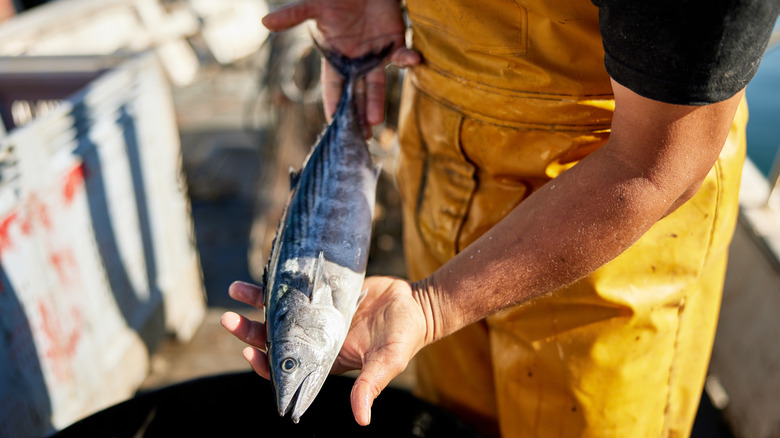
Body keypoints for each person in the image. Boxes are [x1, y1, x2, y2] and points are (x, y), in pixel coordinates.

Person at [221, 1, 780, 436]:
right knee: (457, 423)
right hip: (441, 167)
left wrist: (435, 305)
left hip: (609, 227)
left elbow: (656, 164)